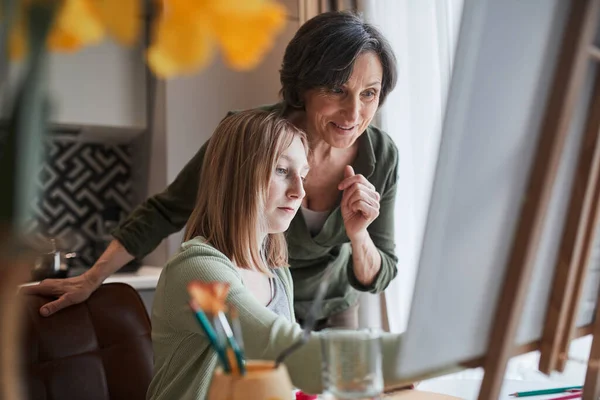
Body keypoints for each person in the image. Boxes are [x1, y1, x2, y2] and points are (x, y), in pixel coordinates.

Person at [25, 11, 400, 329]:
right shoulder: (247, 137)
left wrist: (358, 235)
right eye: (337, 90)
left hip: (331, 309)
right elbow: (165, 211)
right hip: (247, 297)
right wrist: (92, 278)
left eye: (369, 93)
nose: (354, 115)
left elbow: (378, 275)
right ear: (303, 86)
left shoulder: (380, 155)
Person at [147, 109, 403, 400]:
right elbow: (292, 354)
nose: (299, 191)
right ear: (236, 177)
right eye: (282, 171)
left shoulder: (277, 272)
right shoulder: (197, 271)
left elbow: (286, 382)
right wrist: (407, 358)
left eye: (303, 175)